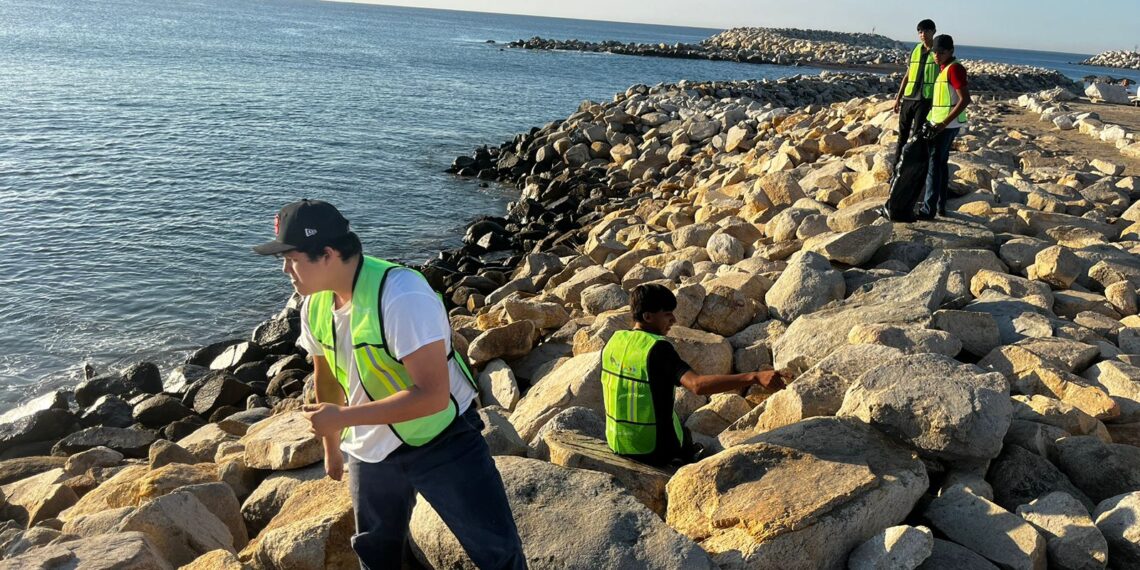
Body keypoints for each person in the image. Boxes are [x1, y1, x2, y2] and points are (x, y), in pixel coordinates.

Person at [252, 199, 526, 570]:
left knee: (496, 550)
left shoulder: (402, 296)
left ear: (328, 254)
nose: (285, 269)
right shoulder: (313, 306)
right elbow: (328, 376)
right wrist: (332, 446)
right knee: (377, 555)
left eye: (292, 258)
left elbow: (433, 397)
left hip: (442, 438)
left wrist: (344, 419)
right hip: (371, 451)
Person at [600, 284, 788, 467]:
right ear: (648, 317)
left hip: (617, 442)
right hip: (652, 451)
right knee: (686, 435)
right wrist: (754, 377)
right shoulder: (656, 348)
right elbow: (697, 385)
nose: (673, 320)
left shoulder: (614, 341)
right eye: (667, 315)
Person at [919, 34, 971, 219]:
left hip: (946, 126)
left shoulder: (954, 69)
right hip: (940, 124)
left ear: (950, 51)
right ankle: (940, 206)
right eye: (935, 52)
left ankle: (928, 209)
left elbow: (965, 100)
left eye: (941, 52)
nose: (936, 55)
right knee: (939, 164)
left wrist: (943, 124)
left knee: (934, 165)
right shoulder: (944, 69)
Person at [892, 19, 939, 174]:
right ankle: (896, 169)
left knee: (917, 137)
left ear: (933, 32)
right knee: (902, 136)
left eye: (926, 31)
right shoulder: (915, 50)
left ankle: (911, 170)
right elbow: (907, 75)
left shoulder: (938, 52)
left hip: (925, 100)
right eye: (920, 32)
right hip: (909, 98)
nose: (922, 34)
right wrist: (898, 98)